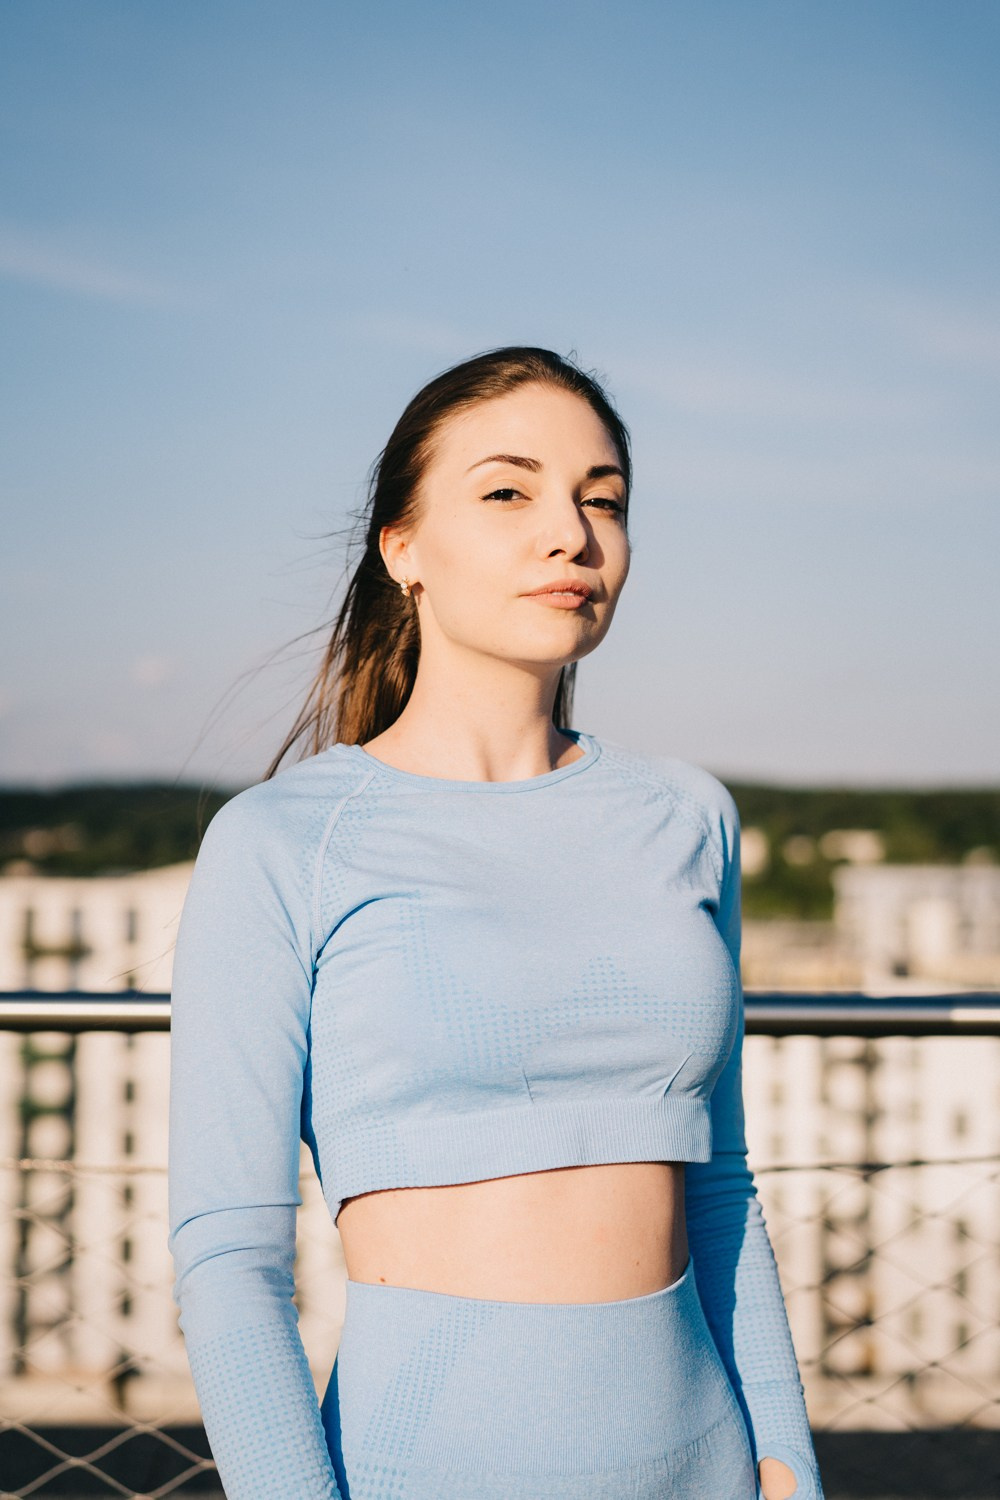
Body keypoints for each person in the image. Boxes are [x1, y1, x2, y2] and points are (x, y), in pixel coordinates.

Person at [167, 346, 824, 1499]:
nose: (570, 532)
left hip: (705, 1467)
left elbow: (719, 1184)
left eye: (602, 499)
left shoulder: (686, 815)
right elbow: (229, 1259)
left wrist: (788, 1470)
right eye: (509, 491)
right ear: (403, 549)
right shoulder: (282, 841)